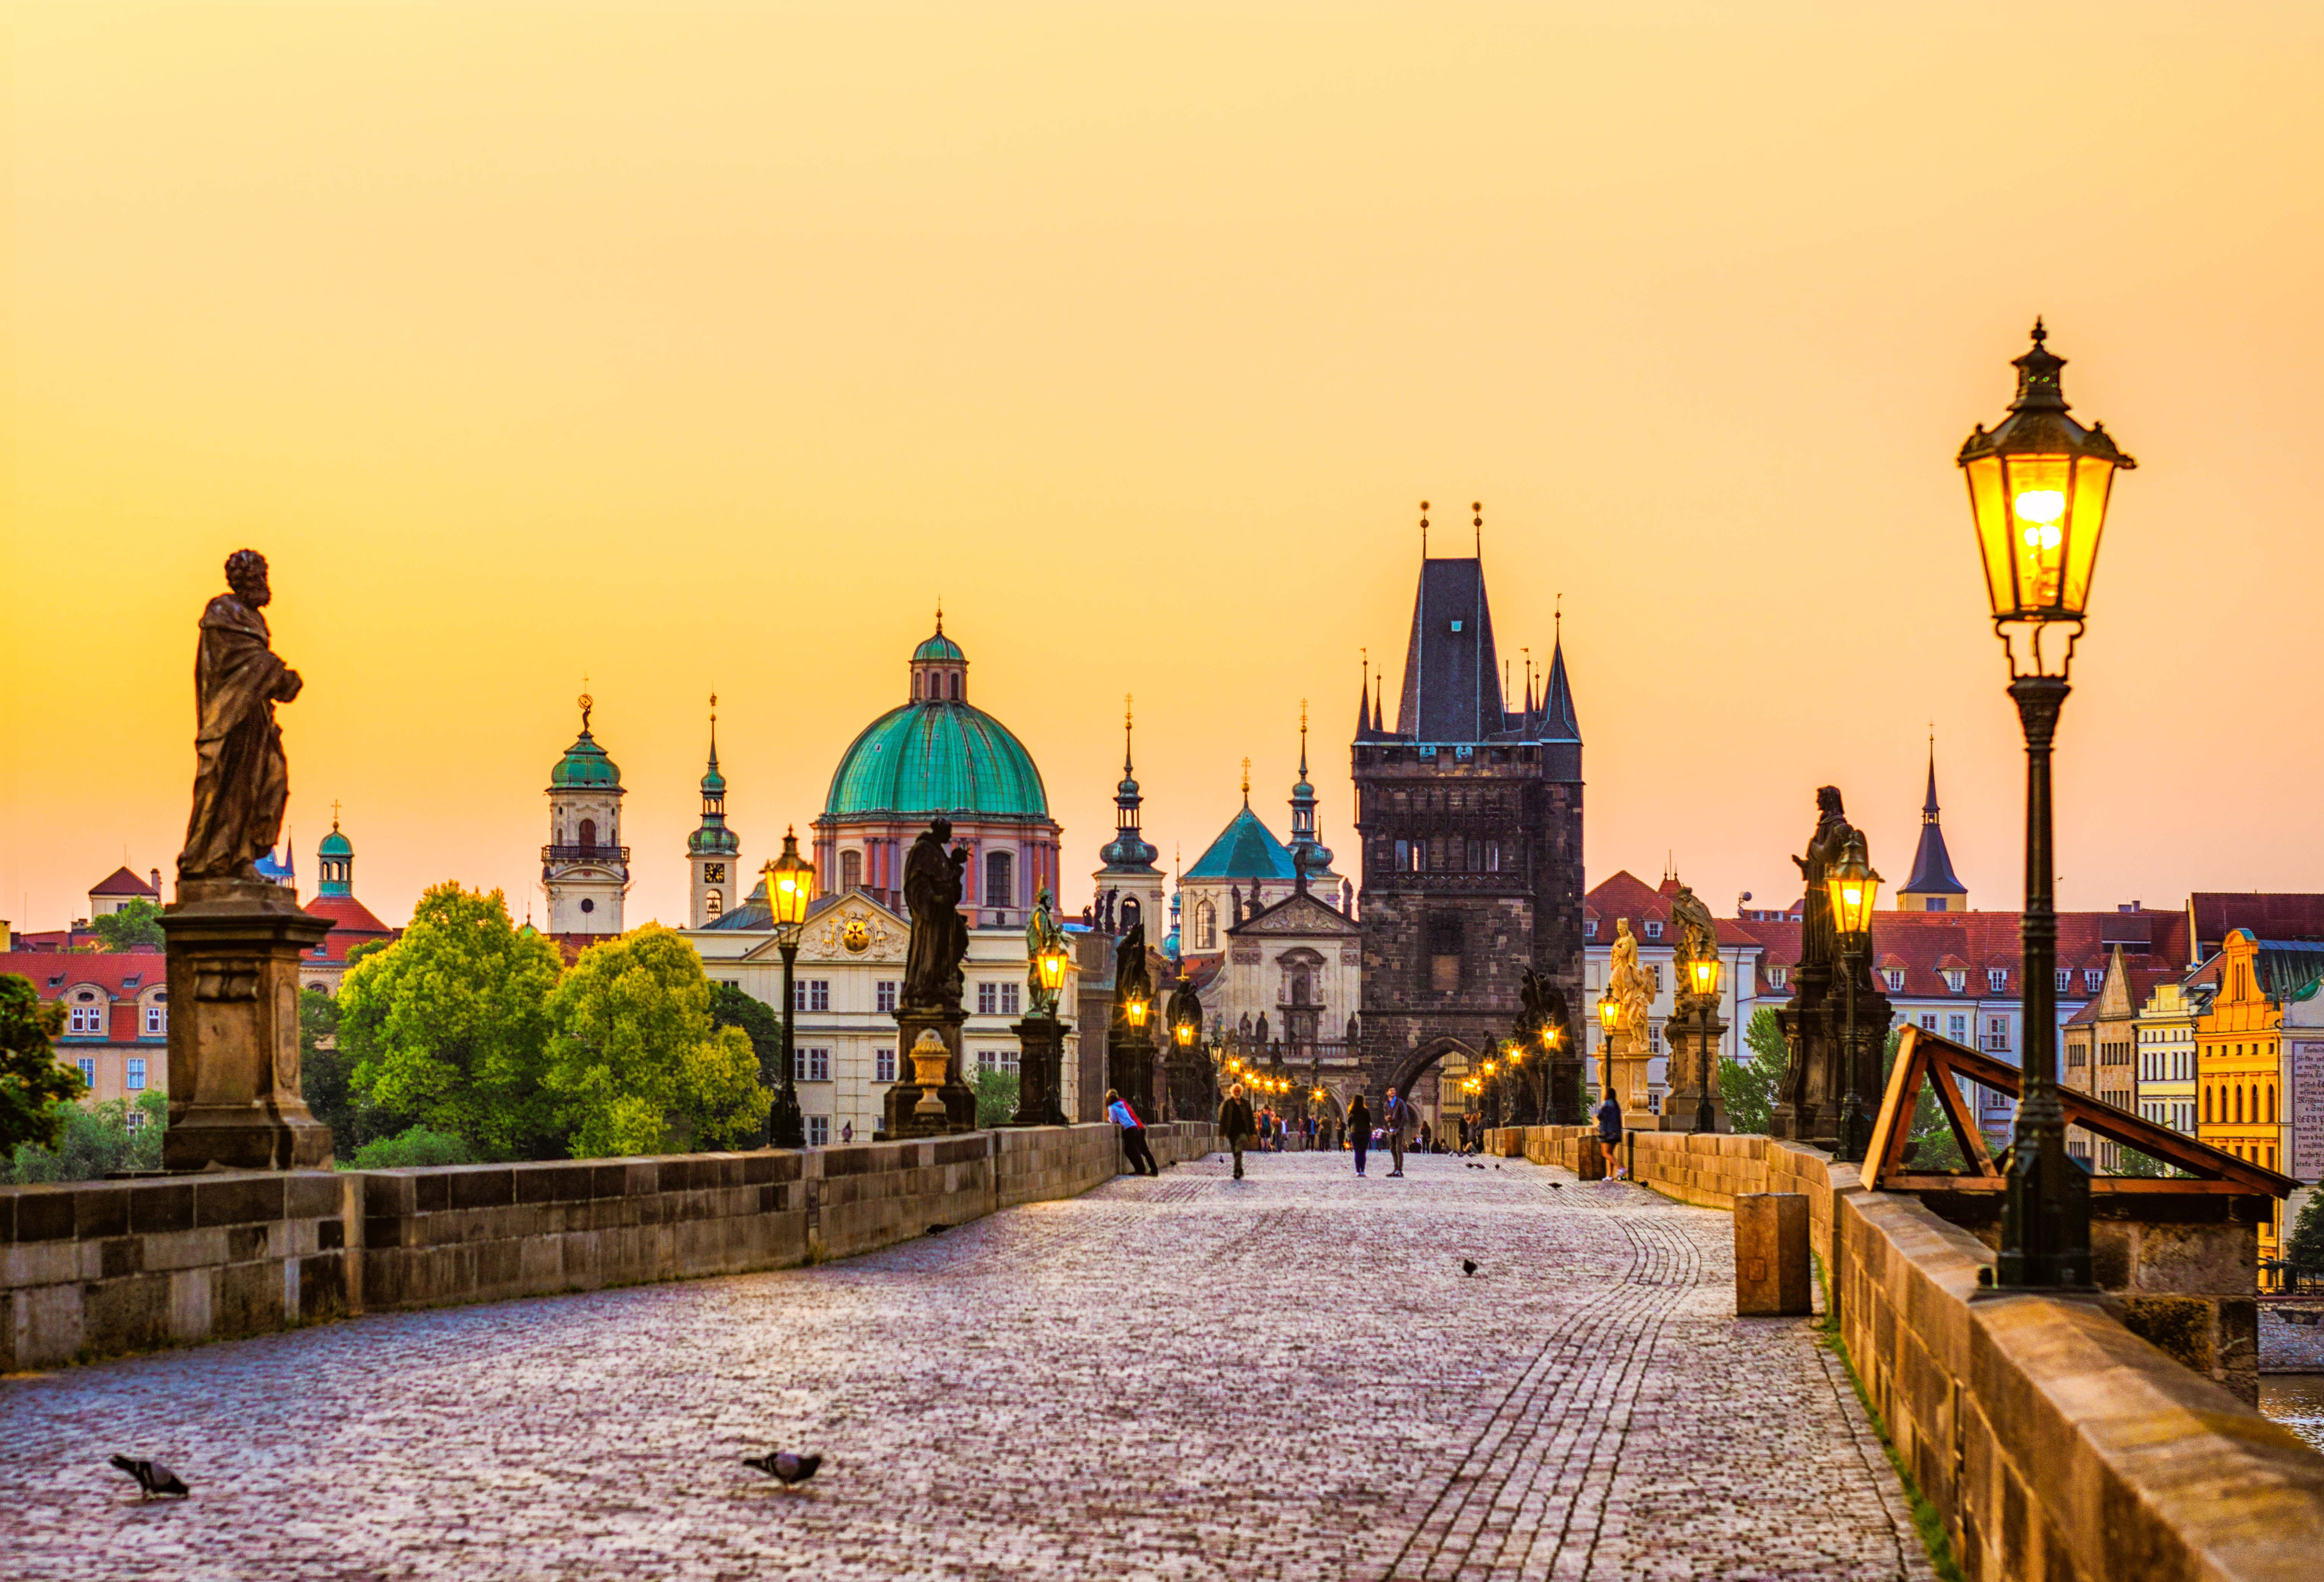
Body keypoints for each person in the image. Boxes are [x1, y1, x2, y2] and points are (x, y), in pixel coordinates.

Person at [1109, 1088, 1158, 1177]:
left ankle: (1145, 1170)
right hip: (1138, 1127)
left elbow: (1114, 1120)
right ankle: (1151, 1170)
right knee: (1135, 1151)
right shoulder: (1123, 1104)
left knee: (1140, 1151)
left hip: (1135, 1128)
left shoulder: (1115, 1106)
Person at [1219, 1083, 1256, 1180]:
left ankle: (1236, 1172)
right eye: (1235, 1091)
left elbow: (1250, 1118)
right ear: (1233, 1092)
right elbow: (1223, 1119)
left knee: (1238, 1149)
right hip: (1231, 1132)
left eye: (1238, 1091)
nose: (1237, 1093)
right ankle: (1240, 1169)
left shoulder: (1246, 1103)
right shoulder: (1228, 1104)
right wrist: (1222, 1133)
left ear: (1241, 1092)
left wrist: (1253, 1132)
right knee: (1236, 1152)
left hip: (1243, 1131)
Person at [1595, 1089, 1625, 1181]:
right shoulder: (1617, 1105)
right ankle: (1610, 1175)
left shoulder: (1606, 1104)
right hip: (1617, 1133)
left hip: (1607, 1133)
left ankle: (1621, 1168)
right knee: (1610, 1154)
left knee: (1606, 1154)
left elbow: (1599, 1116)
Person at [1384, 1086, 1411, 1177]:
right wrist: (1387, 1118)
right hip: (1391, 1129)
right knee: (1392, 1149)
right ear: (1387, 1093)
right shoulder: (1386, 1104)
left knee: (1399, 1149)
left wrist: (1400, 1129)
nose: (1393, 1092)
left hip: (1398, 1129)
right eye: (1391, 1091)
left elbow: (1405, 1117)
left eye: (1394, 1091)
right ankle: (1396, 1168)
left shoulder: (1400, 1103)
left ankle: (1400, 1170)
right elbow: (1386, 1115)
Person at [1347, 1092, 1372, 1177]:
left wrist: (1351, 1130)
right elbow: (1369, 1122)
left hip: (1355, 1133)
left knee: (1357, 1152)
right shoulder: (1366, 1111)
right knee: (1363, 1152)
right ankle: (1363, 1170)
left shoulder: (1352, 1111)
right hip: (1365, 1133)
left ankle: (1358, 1171)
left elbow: (1349, 1123)